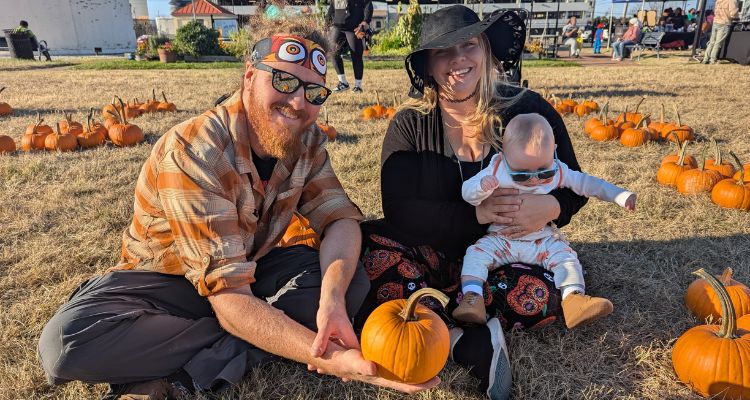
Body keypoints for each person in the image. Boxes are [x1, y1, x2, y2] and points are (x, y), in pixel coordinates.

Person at [37, 13, 437, 400]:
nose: (299, 103)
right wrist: (330, 359)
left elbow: (340, 220)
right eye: (283, 80)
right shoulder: (196, 150)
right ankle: (251, 335)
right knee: (65, 345)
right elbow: (227, 295)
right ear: (249, 75)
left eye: (314, 92)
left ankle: (222, 344)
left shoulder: (307, 140)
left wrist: (331, 300)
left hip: (249, 267)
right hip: (165, 282)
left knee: (351, 280)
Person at [354, 6, 589, 399]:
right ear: (427, 65)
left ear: (486, 50)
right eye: (444, 51)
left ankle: (437, 316)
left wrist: (550, 208)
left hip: (508, 256)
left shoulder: (528, 110)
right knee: (369, 254)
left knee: (538, 293)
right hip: (429, 251)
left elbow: (573, 185)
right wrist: (475, 213)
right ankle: (464, 336)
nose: (459, 59)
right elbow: (399, 209)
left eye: (468, 45)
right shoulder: (409, 124)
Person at [452, 113, 636, 328]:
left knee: (566, 257)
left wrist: (620, 196)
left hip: (542, 240)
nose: (533, 179)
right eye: (521, 175)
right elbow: (467, 193)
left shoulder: (558, 170)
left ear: (554, 152)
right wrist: (480, 188)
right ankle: (472, 299)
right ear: (503, 156)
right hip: (501, 239)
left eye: (543, 172)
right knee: (476, 254)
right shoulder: (495, 170)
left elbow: (588, 183)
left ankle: (574, 299)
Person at [326, 0, 373, 93]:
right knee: (333, 52)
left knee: (356, 55)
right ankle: (343, 83)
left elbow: (368, 4)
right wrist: (326, 23)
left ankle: (358, 86)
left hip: (354, 27)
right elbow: (332, 7)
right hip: (337, 26)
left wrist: (366, 21)